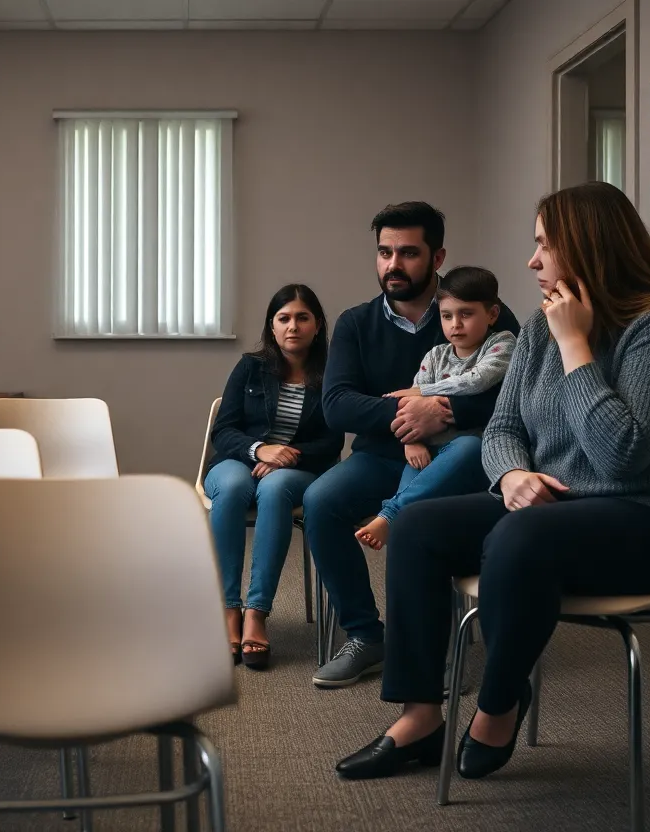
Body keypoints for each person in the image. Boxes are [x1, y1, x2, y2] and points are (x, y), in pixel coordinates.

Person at [334, 180, 650, 781]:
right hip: (554, 509)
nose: (532, 260)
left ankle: (499, 704)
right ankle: (419, 717)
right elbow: (501, 426)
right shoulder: (541, 327)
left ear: (588, 245)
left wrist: (576, 344)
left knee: (517, 540)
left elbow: (620, 453)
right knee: (417, 526)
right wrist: (512, 473)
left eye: (544, 244)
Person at [304, 202, 521, 689]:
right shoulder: (356, 322)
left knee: (428, 515)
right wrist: (411, 419)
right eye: (384, 252)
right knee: (320, 501)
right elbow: (337, 405)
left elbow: (519, 398)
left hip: (465, 457)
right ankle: (366, 636)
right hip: (385, 455)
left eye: (407, 252)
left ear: (437, 256)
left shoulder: (484, 311)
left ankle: (439, 646)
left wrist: (443, 412)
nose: (392, 265)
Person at [205, 284, 345, 670]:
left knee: (275, 486)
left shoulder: (333, 371)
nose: (293, 326)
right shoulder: (251, 366)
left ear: (317, 325)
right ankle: (228, 609)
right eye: (283, 318)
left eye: (302, 317)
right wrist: (259, 449)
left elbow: (333, 438)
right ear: (272, 326)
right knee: (232, 487)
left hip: (296, 471)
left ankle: (257, 613)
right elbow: (225, 429)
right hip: (239, 462)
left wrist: (286, 457)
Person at [355, 266, 516, 550]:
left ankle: (388, 515)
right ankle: (393, 521)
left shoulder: (502, 344)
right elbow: (408, 404)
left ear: (491, 314)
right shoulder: (436, 355)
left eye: (466, 314)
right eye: (447, 315)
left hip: (470, 453)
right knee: (411, 498)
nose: (455, 324)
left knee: (469, 445)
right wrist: (411, 440)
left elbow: (476, 381)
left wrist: (423, 390)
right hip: (428, 449)